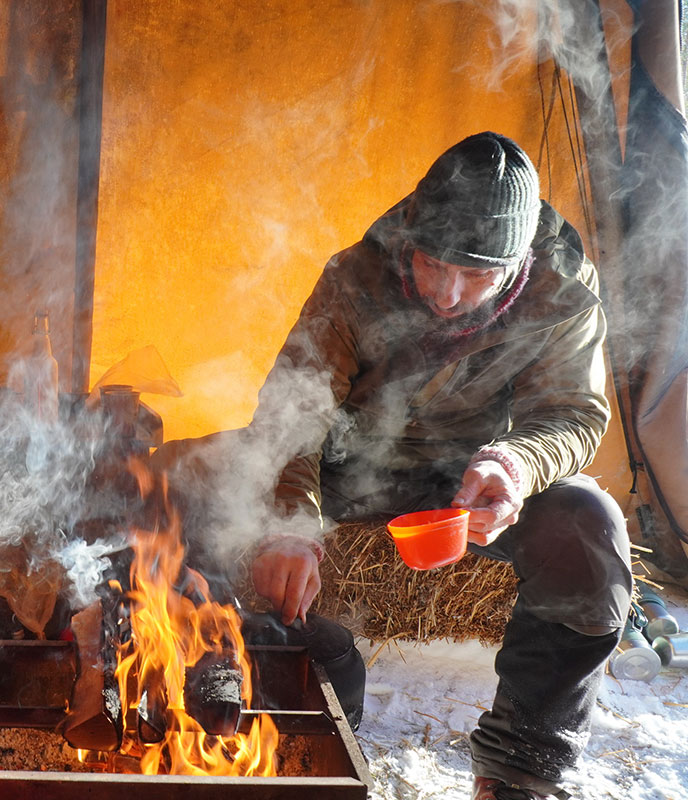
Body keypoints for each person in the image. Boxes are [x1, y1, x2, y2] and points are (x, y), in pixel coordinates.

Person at [245, 132, 631, 800]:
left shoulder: (562, 291)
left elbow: (571, 413)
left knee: (589, 529)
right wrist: (290, 522)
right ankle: (294, 673)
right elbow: (294, 410)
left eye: (477, 275)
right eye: (431, 264)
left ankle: (521, 768)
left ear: (518, 262)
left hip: (467, 482)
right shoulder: (356, 277)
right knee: (197, 481)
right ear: (410, 240)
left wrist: (515, 464)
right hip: (352, 466)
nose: (447, 295)